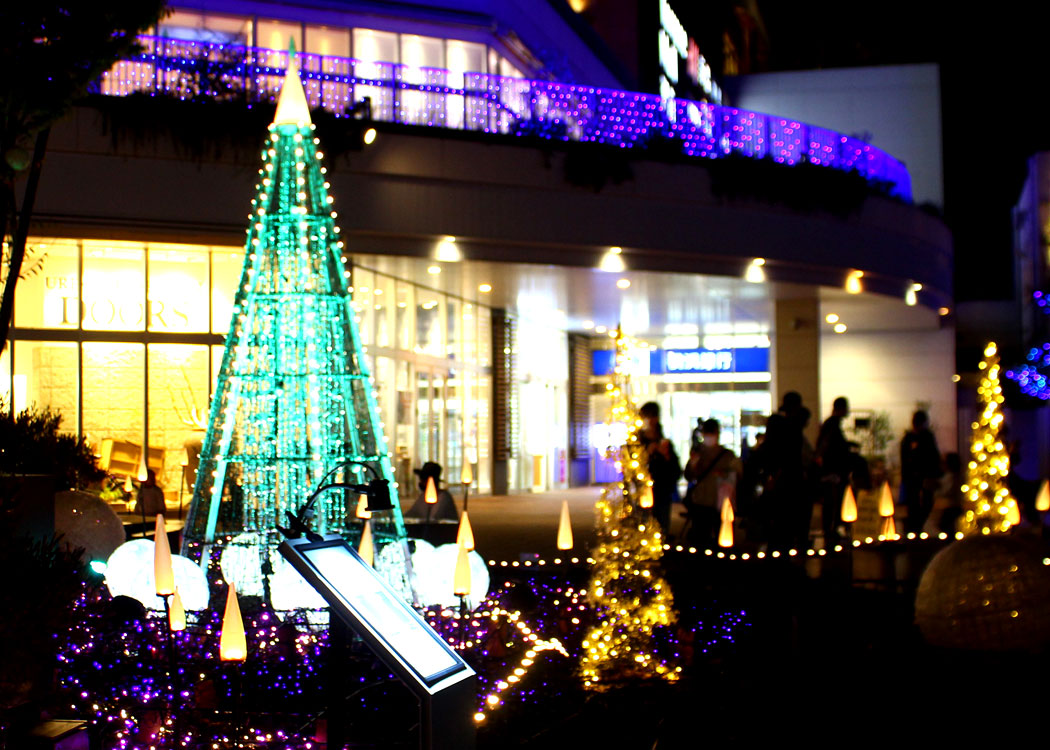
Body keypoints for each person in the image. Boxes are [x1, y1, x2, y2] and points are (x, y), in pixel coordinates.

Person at [684, 419, 740, 544]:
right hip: (701, 501)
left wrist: (724, 474)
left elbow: (737, 475)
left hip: (719, 502)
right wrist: (693, 464)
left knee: (720, 537)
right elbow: (688, 475)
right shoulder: (698, 453)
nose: (709, 437)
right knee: (701, 537)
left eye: (711, 433)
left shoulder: (727, 455)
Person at [816, 396, 855, 546]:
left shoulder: (831, 424)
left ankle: (831, 530)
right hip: (833, 472)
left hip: (832, 471)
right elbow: (827, 447)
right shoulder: (832, 425)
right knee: (833, 501)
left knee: (832, 502)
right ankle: (831, 530)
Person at [637, 401, 681, 533]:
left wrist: (666, 456)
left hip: (662, 490)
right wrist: (646, 454)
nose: (650, 420)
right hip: (642, 491)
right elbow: (631, 468)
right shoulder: (637, 442)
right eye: (647, 416)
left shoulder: (665, 442)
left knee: (661, 527)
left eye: (653, 416)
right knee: (643, 527)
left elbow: (676, 470)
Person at [900, 410, 942, 534]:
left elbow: (933, 456)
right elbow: (934, 456)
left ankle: (916, 525)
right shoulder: (911, 438)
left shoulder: (925, 437)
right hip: (915, 476)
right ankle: (915, 527)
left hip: (923, 476)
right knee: (915, 503)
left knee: (925, 502)